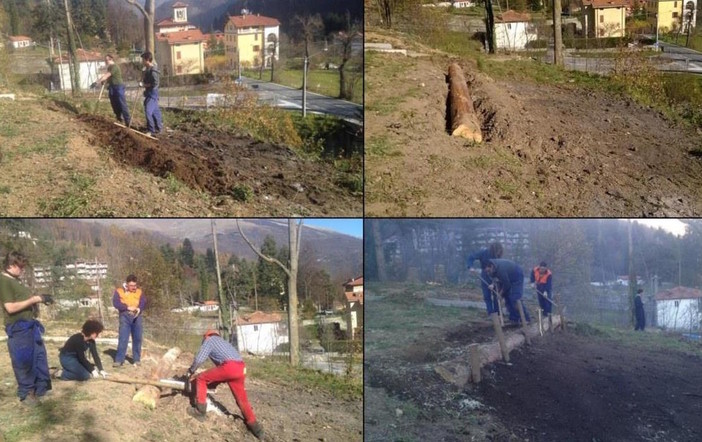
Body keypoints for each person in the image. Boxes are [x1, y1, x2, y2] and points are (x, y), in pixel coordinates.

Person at [186, 330, 264, 439]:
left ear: (206, 336)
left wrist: (191, 371)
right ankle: (256, 428)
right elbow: (222, 370)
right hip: (241, 368)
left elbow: (199, 359)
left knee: (201, 379)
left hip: (230, 367)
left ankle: (200, 411)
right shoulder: (224, 343)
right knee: (242, 399)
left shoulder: (209, 340)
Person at [0, 251, 54, 405]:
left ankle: (40, 389)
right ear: (11, 265)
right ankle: (27, 393)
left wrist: (41, 299)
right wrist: (34, 299)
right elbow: (10, 307)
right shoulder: (3, 281)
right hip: (19, 327)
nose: (23, 270)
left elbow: (24, 300)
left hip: (30, 326)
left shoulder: (15, 280)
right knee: (24, 360)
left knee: (38, 357)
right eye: (20, 267)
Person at [112, 274, 145, 367]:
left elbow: (143, 302)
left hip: (137, 317)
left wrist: (139, 308)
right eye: (131, 286)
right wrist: (127, 307)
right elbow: (116, 303)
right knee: (123, 338)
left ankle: (136, 359)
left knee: (137, 338)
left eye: (135, 285)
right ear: (126, 284)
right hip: (125, 316)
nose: (134, 287)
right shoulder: (119, 291)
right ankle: (119, 360)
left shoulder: (139, 292)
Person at [485, 258, 531, 324]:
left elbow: (507, 284)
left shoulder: (501, 269)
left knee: (514, 298)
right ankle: (514, 318)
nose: (488, 273)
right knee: (507, 298)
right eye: (487, 271)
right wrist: (493, 285)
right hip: (506, 279)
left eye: (489, 271)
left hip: (516, 277)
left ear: (491, 266)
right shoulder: (492, 269)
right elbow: (496, 280)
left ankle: (526, 319)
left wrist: (500, 294)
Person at [91, 54, 131, 126]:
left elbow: (107, 75)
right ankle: (119, 118)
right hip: (112, 87)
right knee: (114, 103)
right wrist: (104, 81)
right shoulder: (109, 68)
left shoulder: (114, 67)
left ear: (111, 59)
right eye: (105, 60)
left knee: (122, 103)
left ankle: (127, 121)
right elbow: (108, 77)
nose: (105, 62)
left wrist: (97, 82)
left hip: (118, 87)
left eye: (107, 60)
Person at [466, 242, 504, 315]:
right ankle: (491, 313)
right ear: (494, 249)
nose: (499, 252)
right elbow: (471, 257)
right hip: (485, 275)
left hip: (495, 275)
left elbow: (499, 270)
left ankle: (497, 313)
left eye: (500, 251)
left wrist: (493, 283)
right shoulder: (483, 253)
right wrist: (470, 267)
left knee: (496, 295)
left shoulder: (499, 257)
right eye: (497, 250)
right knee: (487, 295)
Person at [140, 51, 163, 136]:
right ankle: (159, 127)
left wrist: (144, 85)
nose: (142, 61)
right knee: (155, 111)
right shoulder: (147, 69)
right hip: (149, 92)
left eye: (143, 60)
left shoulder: (153, 71)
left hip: (152, 93)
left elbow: (155, 84)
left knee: (148, 110)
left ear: (147, 60)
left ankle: (151, 130)